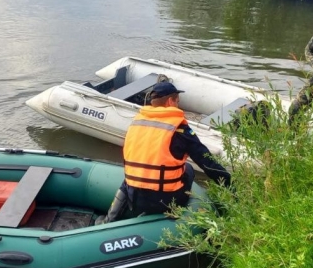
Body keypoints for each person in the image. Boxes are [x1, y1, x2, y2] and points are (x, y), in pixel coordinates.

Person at [99, 82, 231, 223]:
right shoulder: (179, 129)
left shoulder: (137, 122)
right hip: (164, 201)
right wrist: (230, 185)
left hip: (135, 199)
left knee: (131, 178)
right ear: (170, 101)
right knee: (189, 168)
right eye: (177, 102)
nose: (178, 105)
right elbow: (207, 163)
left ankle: (109, 219)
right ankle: (174, 214)